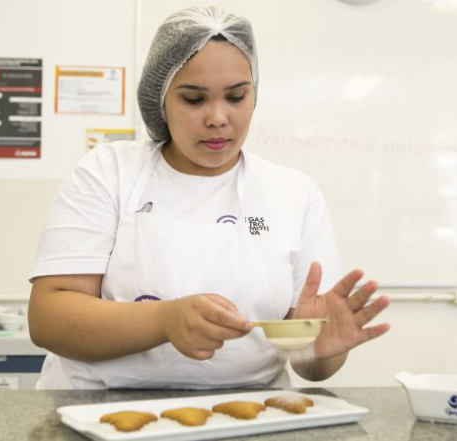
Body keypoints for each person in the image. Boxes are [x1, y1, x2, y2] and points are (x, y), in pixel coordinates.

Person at [28, 6, 390, 389]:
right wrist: (165, 321)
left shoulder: (292, 194)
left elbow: (309, 367)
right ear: (160, 100)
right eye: (194, 100)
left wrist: (320, 348)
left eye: (236, 97)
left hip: (249, 415)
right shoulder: (108, 173)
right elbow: (49, 318)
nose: (218, 117)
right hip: (98, 410)